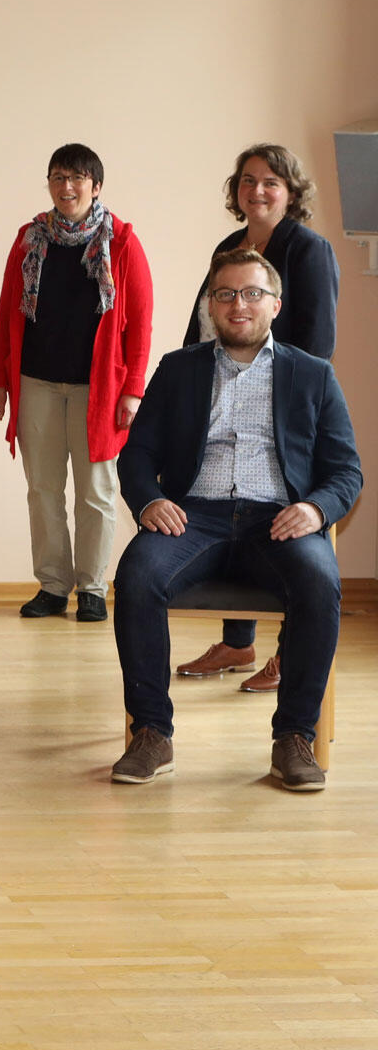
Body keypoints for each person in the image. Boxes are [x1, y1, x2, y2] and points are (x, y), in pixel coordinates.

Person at [110, 250, 361, 791]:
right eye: (225, 294)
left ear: (274, 303)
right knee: (136, 577)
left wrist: (315, 509)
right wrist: (149, 501)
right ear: (211, 306)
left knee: (320, 583)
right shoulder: (179, 369)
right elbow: (135, 455)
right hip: (193, 516)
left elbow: (346, 470)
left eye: (251, 293)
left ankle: (295, 737)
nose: (237, 304)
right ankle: (152, 732)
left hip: (279, 518)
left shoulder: (313, 375)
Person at [174, 144, 340, 691]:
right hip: (218, 389)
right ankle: (238, 644)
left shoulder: (308, 249)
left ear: (290, 191)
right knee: (225, 491)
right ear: (236, 190)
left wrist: (277, 391)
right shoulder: (230, 245)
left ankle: (288, 658)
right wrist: (182, 382)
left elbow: (317, 343)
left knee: (280, 521)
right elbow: (204, 321)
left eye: (271, 181)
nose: (258, 191)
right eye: (248, 181)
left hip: (282, 407)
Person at [0, 143, 152, 622]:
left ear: (95, 186)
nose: (67, 187)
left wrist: (133, 389)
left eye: (77, 178)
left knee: (96, 491)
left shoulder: (120, 242)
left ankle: (93, 589)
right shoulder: (29, 239)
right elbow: (6, 315)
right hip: (35, 382)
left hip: (98, 389)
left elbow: (139, 322)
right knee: (42, 489)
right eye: (58, 178)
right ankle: (54, 585)